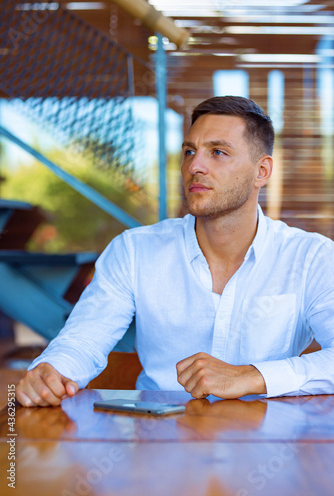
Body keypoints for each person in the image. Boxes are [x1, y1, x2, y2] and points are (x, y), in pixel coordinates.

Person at [16, 96, 334, 407]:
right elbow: (83, 341)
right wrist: (51, 371)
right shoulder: (135, 251)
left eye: (218, 152)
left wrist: (252, 376)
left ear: (261, 171)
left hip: (268, 443)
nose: (195, 165)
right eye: (189, 151)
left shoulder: (311, 258)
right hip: (161, 442)